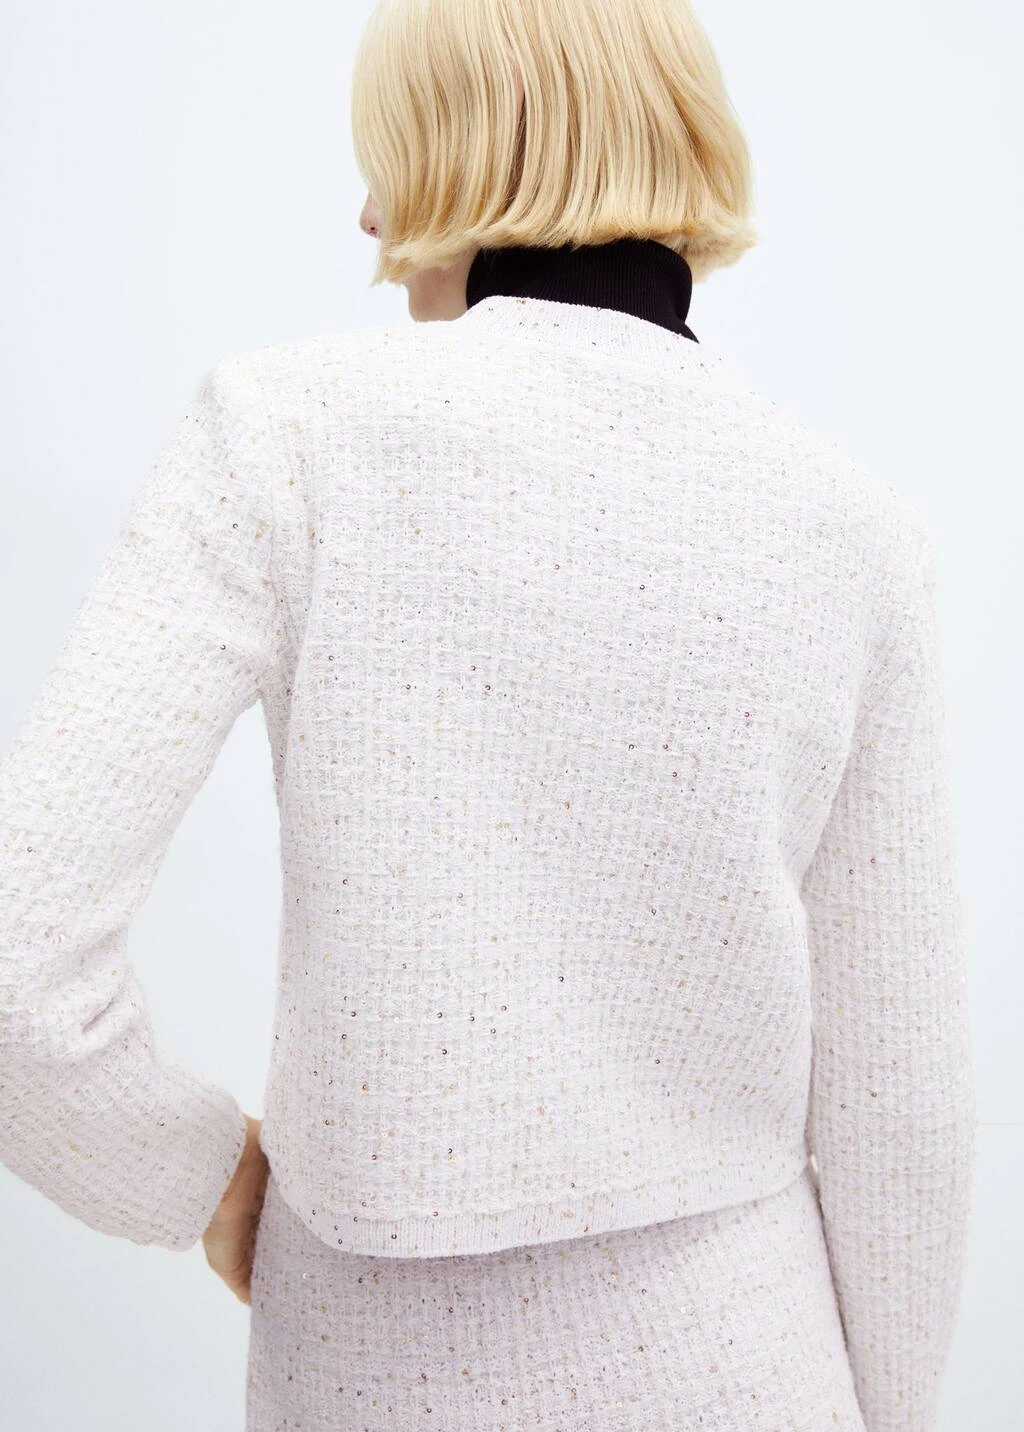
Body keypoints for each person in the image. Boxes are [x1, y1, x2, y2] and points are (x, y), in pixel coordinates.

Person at [0, 1, 976, 1429]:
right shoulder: (856, 529)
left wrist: (201, 1177)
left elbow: (15, 964)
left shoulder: (283, 433)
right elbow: (904, 1111)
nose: (369, 214)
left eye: (389, 156)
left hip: (376, 1372)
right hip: (754, 1365)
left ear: (470, 150)